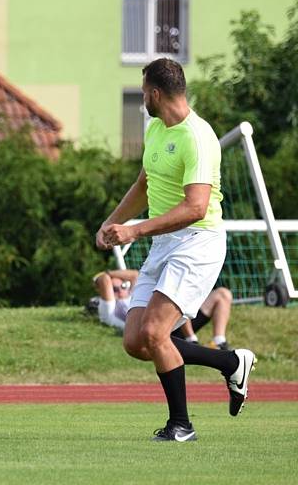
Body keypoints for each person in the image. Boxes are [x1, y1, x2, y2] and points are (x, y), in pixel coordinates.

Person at [95, 58, 256, 442]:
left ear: (154, 93)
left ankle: (181, 425)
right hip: (166, 242)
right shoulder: (155, 128)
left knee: (155, 332)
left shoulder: (198, 137)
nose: (142, 99)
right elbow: (143, 184)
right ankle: (231, 362)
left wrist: (135, 231)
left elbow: (195, 208)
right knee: (136, 341)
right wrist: (110, 222)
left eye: (143, 91)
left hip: (197, 242)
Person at [93, 270, 234, 350]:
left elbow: (135, 275)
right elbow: (104, 279)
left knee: (223, 294)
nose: (120, 290)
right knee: (173, 295)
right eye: (115, 289)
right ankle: (192, 340)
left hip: (175, 320)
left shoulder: (134, 296)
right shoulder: (109, 309)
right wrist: (105, 276)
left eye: (123, 286)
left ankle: (219, 342)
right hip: (159, 330)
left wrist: (111, 273)